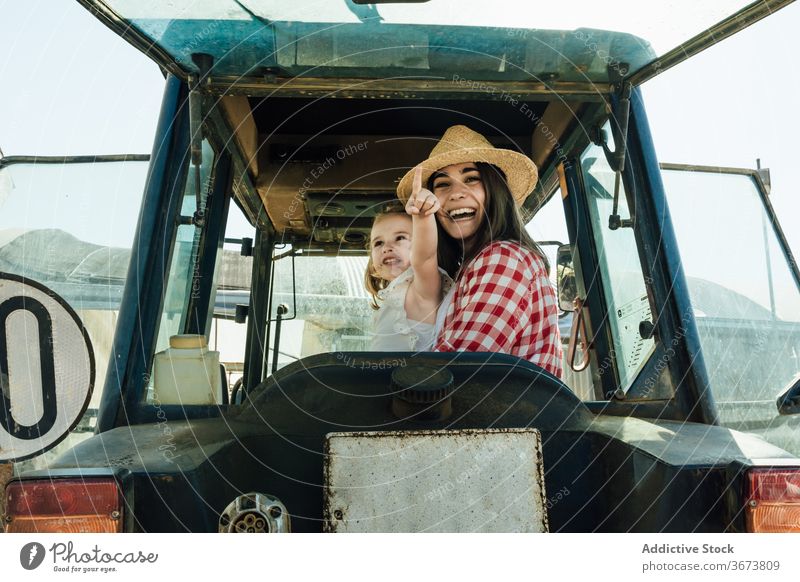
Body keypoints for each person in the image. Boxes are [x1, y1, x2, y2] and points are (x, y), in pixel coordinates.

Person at [396, 125, 563, 377]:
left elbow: (458, 371)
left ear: (494, 189)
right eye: (442, 184)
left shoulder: (504, 259)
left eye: (471, 178)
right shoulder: (468, 269)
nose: (455, 194)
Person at [364, 189, 453, 351]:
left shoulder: (421, 290)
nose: (387, 248)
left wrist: (423, 215)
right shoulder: (392, 300)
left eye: (400, 238)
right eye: (378, 243)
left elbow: (424, 257)